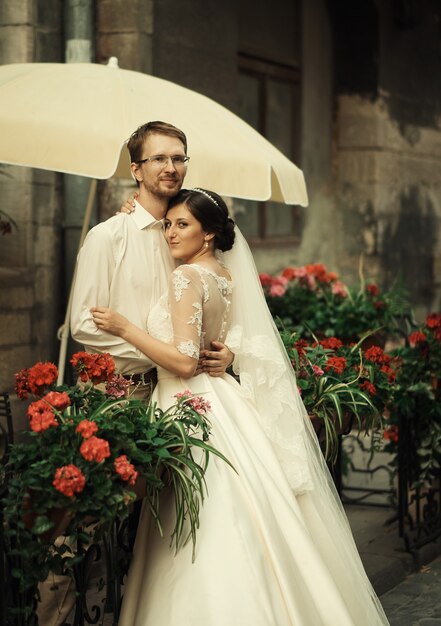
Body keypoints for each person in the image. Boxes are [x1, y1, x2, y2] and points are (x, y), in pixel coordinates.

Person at [91, 188, 390, 625]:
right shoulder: (224, 276)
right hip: (223, 402)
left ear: (208, 234)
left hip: (189, 402)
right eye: (169, 224)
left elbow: (184, 359)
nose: (170, 234)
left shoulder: (187, 278)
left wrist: (124, 326)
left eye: (183, 225)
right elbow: (226, 340)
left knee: (202, 522)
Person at [37, 123, 232, 626]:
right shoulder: (109, 236)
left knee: (155, 527)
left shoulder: (188, 227)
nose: (171, 167)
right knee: (83, 523)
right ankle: (56, 617)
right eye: (160, 159)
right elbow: (82, 323)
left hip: (177, 399)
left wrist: (225, 352)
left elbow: (218, 305)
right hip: (117, 395)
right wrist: (163, 354)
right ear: (136, 170)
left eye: (180, 158)